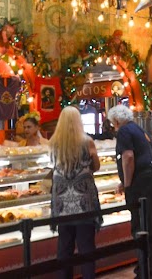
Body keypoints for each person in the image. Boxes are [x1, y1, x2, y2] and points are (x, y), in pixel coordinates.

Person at [107, 104, 152, 279]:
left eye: (113, 124)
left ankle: (144, 272)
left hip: (143, 184)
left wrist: (127, 184)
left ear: (117, 121)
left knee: (142, 227)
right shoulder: (140, 130)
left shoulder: (124, 131)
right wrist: (123, 181)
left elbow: (128, 157)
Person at [49, 107, 101, 279]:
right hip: (83, 200)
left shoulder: (54, 142)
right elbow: (96, 166)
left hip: (62, 202)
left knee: (64, 248)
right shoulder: (87, 141)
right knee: (86, 248)